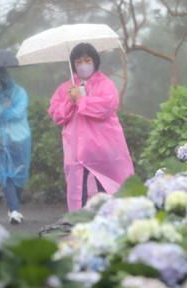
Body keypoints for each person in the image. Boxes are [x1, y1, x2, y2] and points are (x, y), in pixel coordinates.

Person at [48, 43, 134, 212]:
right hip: (77, 152)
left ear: (95, 61)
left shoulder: (105, 84)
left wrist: (81, 100)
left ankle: (112, 224)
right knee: (79, 191)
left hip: (104, 149)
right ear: (73, 64)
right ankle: (80, 226)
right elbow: (56, 114)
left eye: (87, 60)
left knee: (109, 189)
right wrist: (70, 100)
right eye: (79, 61)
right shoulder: (66, 88)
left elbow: (107, 106)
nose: (83, 65)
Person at [0, 68, 31, 224]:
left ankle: (14, 206)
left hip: (18, 138)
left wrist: (5, 107)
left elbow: (18, 113)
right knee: (5, 174)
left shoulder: (19, 93)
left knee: (19, 174)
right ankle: (14, 210)